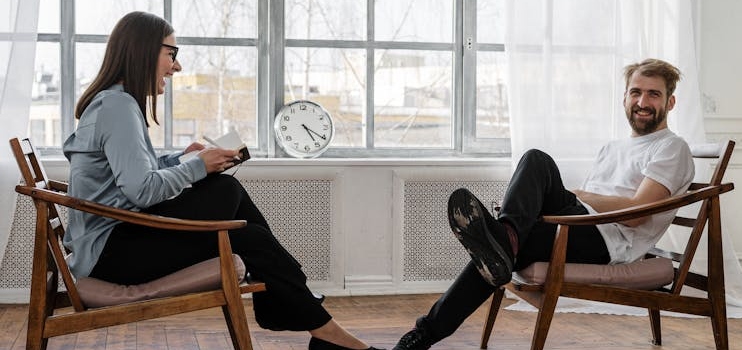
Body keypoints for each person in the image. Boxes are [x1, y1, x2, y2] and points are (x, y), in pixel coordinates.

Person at [62, 11, 382, 350]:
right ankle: (304, 309)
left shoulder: (114, 103)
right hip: (112, 254)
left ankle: (309, 317)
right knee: (229, 196)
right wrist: (198, 166)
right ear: (144, 50)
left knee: (235, 210)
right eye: (172, 53)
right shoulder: (118, 106)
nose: (177, 66)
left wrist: (180, 159)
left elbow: (129, 173)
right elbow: (141, 191)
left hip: (114, 241)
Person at [392, 58, 695, 350]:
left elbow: (635, 215)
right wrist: (573, 201)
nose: (643, 101)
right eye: (636, 92)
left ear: (670, 102)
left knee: (498, 250)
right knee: (536, 160)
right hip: (579, 222)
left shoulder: (671, 147)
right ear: (624, 99)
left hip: (607, 241)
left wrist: (582, 196)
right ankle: (506, 237)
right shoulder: (612, 147)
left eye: (654, 94)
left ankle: (423, 334)